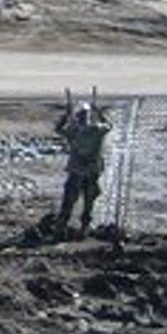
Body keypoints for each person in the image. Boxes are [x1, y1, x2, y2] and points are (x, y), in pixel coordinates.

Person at [55, 90, 113, 236]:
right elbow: (109, 125)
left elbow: (58, 129)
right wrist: (99, 112)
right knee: (89, 202)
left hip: (76, 172)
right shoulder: (97, 130)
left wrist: (66, 116)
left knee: (69, 201)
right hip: (92, 172)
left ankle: (61, 227)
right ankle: (84, 228)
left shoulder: (73, 130)